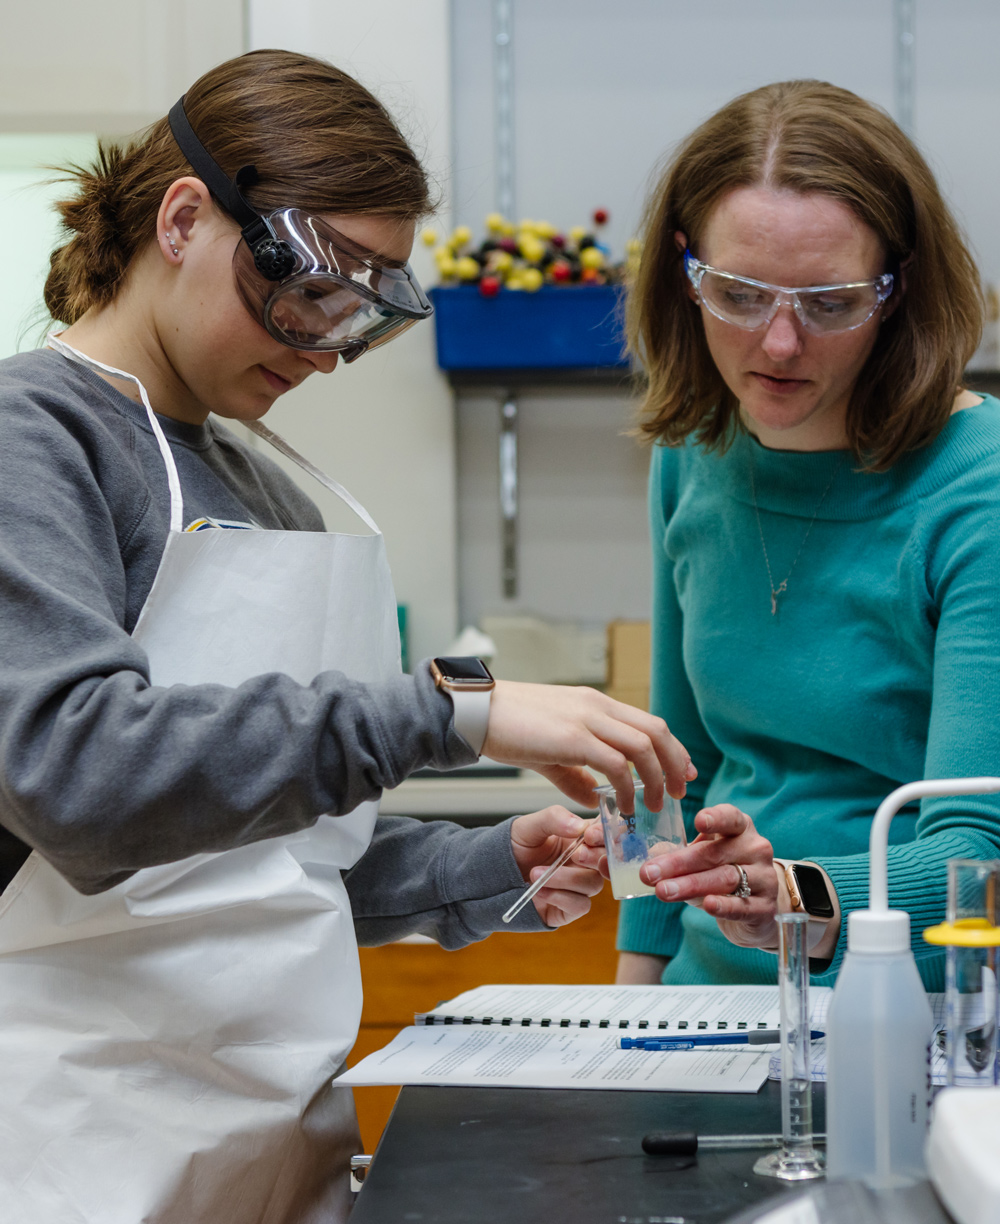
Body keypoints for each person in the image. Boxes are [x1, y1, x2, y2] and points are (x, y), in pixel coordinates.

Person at [0, 50, 695, 1224]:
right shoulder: (36, 441)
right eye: (313, 292)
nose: (325, 348)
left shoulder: (272, 494)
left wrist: (488, 864)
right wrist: (452, 713)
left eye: (364, 313)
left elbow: (277, 867)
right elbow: (78, 774)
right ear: (183, 219)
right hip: (75, 1138)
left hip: (278, 1143)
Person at [578, 78, 1000, 991]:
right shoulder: (692, 452)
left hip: (912, 1010)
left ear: (899, 292)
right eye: (738, 293)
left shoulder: (980, 486)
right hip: (706, 1002)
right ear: (684, 272)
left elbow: (978, 860)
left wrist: (799, 899)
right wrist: (629, 1008)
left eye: (829, 302)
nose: (777, 344)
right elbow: (668, 777)